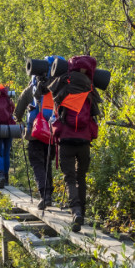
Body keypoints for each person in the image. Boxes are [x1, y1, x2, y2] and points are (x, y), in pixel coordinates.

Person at [49, 55, 101, 232]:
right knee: (81, 177)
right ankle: (83, 214)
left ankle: (76, 212)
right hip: (84, 140)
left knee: (70, 178)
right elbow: (95, 113)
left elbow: (55, 105)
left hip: (66, 140)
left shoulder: (63, 85)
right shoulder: (90, 88)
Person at [15, 57, 63, 210]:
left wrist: (19, 118)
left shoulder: (33, 87)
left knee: (37, 164)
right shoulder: (59, 85)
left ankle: (44, 195)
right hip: (53, 131)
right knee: (47, 162)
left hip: (35, 132)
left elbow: (18, 110)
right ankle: (49, 193)